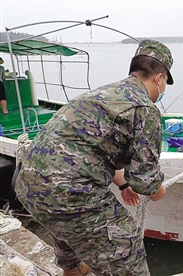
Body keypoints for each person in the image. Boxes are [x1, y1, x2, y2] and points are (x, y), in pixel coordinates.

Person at [15, 39, 174, 276]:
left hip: (27, 184)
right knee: (125, 244)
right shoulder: (145, 109)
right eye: (164, 84)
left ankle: (72, 270)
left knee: (65, 223)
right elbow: (146, 181)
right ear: (159, 78)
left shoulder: (102, 93)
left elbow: (89, 152)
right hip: (67, 193)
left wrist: (123, 185)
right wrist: (159, 191)